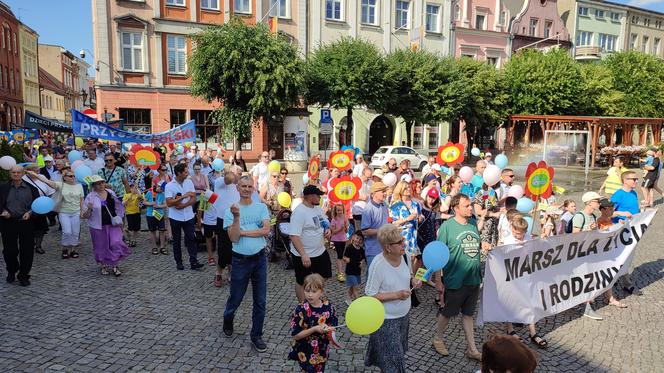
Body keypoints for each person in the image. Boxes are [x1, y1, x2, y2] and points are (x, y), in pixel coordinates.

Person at [433, 193, 491, 361]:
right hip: (456, 278)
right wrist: (438, 280)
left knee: (468, 314)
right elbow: (438, 254)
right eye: (466, 206)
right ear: (456, 208)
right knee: (449, 312)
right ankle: (437, 338)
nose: (470, 208)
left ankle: (472, 349)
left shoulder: (473, 224)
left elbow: (474, 242)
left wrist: (483, 244)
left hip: (473, 278)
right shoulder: (447, 227)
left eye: (470, 205)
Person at [222, 176, 271, 352]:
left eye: (250, 186)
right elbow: (234, 237)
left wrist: (244, 232)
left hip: (259, 259)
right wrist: (236, 219)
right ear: (237, 187)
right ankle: (228, 317)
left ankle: (256, 335)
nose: (247, 189)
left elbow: (266, 230)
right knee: (236, 297)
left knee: (260, 300)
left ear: (253, 188)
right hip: (240, 260)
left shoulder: (261, 207)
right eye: (243, 186)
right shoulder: (231, 211)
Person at [364, 224, 422, 372]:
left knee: (395, 357)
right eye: (399, 242)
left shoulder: (405, 256)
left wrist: (413, 280)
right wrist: (396, 295)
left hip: (403, 317)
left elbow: (408, 275)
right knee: (393, 363)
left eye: (403, 239)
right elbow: (370, 295)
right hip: (385, 320)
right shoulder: (378, 265)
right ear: (388, 247)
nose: (404, 243)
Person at [502, 216, 547, 349]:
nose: (519, 236)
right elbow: (504, 255)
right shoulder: (508, 239)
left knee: (529, 303)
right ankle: (510, 329)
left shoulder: (528, 237)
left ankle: (533, 333)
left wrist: (539, 241)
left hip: (526, 274)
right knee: (510, 303)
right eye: (517, 234)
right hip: (512, 276)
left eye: (521, 234)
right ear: (512, 229)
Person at [289, 185, 333, 303]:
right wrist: (303, 254)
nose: (320, 197)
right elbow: (294, 236)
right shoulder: (299, 212)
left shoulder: (317, 208)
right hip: (303, 254)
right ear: (309, 196)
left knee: (325, 274)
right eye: (317, 195)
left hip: (319, 251)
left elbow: (324, 221)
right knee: (301, 281)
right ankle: (303, 306)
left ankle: (315, 295)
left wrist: (328, 230)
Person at [28, 168, 84, 259]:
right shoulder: (60, 185)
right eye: (70, 176)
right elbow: (47, 181)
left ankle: (73, 250)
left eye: (74, 176)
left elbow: (82, 199)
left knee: (75, 232)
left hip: (76, 212)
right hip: (64, 212)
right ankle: (65, 249)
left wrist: (82, 211)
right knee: (67, 232)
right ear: (64, 177)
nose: (73, 177)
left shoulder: (79, 186)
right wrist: (36, 176)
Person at [81, 175, 131, 277]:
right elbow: (85, 216)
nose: (101, 185)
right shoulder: (90, 197)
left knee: (116, 242)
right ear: (93, 185)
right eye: (98, 183)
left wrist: (121, 213)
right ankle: (104, 265)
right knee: (101, 246)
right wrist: (89, 209)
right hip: (98, 225)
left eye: (102, 182)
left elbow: (117, 205)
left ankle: (115, 265)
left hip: (113, 223)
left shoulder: (111, 193)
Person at [288, 273, 338, 372]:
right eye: (307, 290)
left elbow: (333, 326)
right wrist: (314, 329)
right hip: (305, 351)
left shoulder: (328, 307)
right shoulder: (301, 309)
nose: (310, 294)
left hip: (322, 350)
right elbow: (295, 335)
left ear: (321, 292)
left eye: (314, 291)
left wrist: (330, 330)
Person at [0, 166, 39, 286]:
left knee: (27, 251)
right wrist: (3, 211)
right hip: (8, 222)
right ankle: (12, 270)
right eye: (13, 172)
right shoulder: (3, 188)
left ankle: (24, 275)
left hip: (26, 223)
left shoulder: (31, 188)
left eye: (18, 172)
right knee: (9, 251)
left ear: (23, 174)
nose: (16, 174)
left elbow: (38, 205)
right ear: (10, 174)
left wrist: (30, 213)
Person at [165, 163, 204, 271]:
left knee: (191, 238)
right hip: (175, 217)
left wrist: (183, 205)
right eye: (185, 172)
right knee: (177, 240)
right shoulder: (169, 186)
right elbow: (169, 203)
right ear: (179, 173)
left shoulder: (189, 182)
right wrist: (183, 197)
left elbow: (194, 198)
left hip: (188, 216)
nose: (188, 173)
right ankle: (179, 262)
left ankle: (194, 261)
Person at [572, 191, 605, 320]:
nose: (599, 203)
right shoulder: (580, 216)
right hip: (580, 254)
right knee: (584, 280)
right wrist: (589, 230)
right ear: (589, 203)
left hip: (589, 252)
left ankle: (581, 302)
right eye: (597, 201)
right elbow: (574, 236)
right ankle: (586, 307)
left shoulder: (594, 216)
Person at [610, 170, 643, 296]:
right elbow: (608, 213)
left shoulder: (634, 193)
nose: (636, 181)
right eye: (633, 179)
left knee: (628, 256)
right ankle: (626, 284)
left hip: (632, 230)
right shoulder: (618, 195)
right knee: (622, 257)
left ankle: (621, 279)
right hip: (620, 232)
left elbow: (635, 210)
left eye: (636, 179)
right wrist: (622, 214)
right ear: (625, 180)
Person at [213, 172, 240, 287]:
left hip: (235, 218)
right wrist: (235, 175)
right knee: (223, 248)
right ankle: (218, 272)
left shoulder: (237, 186)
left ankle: (231, 271)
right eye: (235, 172)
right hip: (222, 219)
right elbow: (230, 178)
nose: (237, 174)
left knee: (234, 247)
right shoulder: (220, 182)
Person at [22, 164, 55, 254]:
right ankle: (30, 244)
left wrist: (48, 202)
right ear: (28, 171)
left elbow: (50, 190)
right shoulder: (23, 179)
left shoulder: (41, 177)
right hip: (27, 206)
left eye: (38, 170)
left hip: (41, 206)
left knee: (40, 227)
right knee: (29, 227)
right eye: (35, 170)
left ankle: (38, 246)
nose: (38, 172)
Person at [389, 181, 422, 261]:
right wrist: (407, 219)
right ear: (400, 190)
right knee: (403, 259)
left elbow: (420, 217)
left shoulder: (415, 204)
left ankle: (411, 274)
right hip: (402, 235)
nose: (408, 189)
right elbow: (393, 222)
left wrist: (419, 218)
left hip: (413, 234)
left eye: (408, 187)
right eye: (405, 188)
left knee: (413, 259)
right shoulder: (396, 205)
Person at [361, 182, 389, 271]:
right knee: (372, 275)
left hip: (385, 247)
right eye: (382, 191)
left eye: (385, 191)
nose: (385, 193)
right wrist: (382, 230)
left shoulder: (384, 204)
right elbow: (364, 231)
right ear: (374, 194)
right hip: (373, 250)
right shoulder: (368, 209)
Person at [144, 182, 168, 256]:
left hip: (159, 215)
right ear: (158, 186)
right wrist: (151, 204)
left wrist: (158, 206)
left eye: (162, 190)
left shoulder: (162, 194)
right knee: (152, 231)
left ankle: (162, 247)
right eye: (161, 189)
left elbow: (165, 204)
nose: (161, 191)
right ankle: (154, 247)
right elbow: (144, 202)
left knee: (162, 230)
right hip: (150, 215)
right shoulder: (149, 192)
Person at [343, 232, 365, 303]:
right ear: (353, 238)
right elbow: (344, 257)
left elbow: (363, 258)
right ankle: (358, 303)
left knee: (352, 287)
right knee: (356, 287)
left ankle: (348, 299)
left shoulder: (361, 249)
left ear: (362, 241)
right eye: (357, 238)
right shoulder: (349, 248)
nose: (358, 240)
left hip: (357, 271)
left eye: (360, 239)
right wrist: (346, 259)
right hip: (350, 272)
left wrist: (362, 262)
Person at [330, 203, 349, 283]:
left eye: (341, 210)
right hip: (336, 239)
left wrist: (345, 227)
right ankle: (340, 272)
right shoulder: (334, 219)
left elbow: (346, 231)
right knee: (340, 255)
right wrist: (340, 229)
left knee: (341, 255)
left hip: (343, 239)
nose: (340, 212)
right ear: (335, 211)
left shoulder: (345, 218)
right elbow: (333, 232)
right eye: (338, 210)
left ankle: (340, 271)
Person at [122, 183, 143, 247]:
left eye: (135, 188)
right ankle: (130, 238)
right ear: (130, 189)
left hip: (136, 212)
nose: (134, 190)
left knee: (136, 228)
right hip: (129, 213)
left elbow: (140, 197)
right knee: (130, 227)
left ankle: (134, 240)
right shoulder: (126, 195)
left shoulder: (137, 195)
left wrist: (137, 190)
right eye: (133, 188)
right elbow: (122, 203)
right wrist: (128, 199)